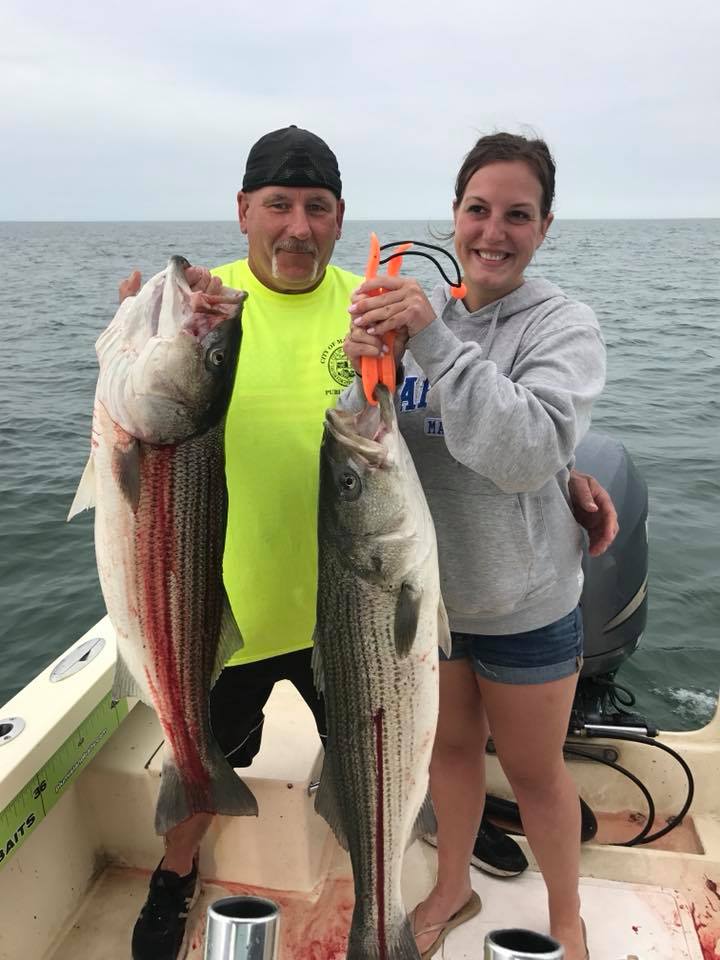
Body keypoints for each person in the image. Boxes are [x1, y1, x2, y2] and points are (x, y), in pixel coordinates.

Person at [122, 127, 616, 960]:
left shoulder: (377, 307)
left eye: (317, 207)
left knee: (394, 769)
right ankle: (174, 878)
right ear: (243, 210)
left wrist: (562, 477)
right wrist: (135, 341)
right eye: (277, 204)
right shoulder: (208, 312)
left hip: (353, 614)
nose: (297, 225)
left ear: (342, 218)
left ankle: (465, 877)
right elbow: (144, 428)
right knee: (201, 761)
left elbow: (421, 435)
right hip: (230, 606)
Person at [342, 131, 604, 960]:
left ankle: (566, 918)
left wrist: (433, 341)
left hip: (524, 600)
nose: (494, 231)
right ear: (454, 215)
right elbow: (376, 440)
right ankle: (453, 884)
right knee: (450, 753)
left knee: (534, 776)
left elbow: (527, 448)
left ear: (545, 225)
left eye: (517, 215)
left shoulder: (562, 325)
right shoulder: (421, 317)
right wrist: (360, 373)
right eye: (478, 210)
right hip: (429, 599)